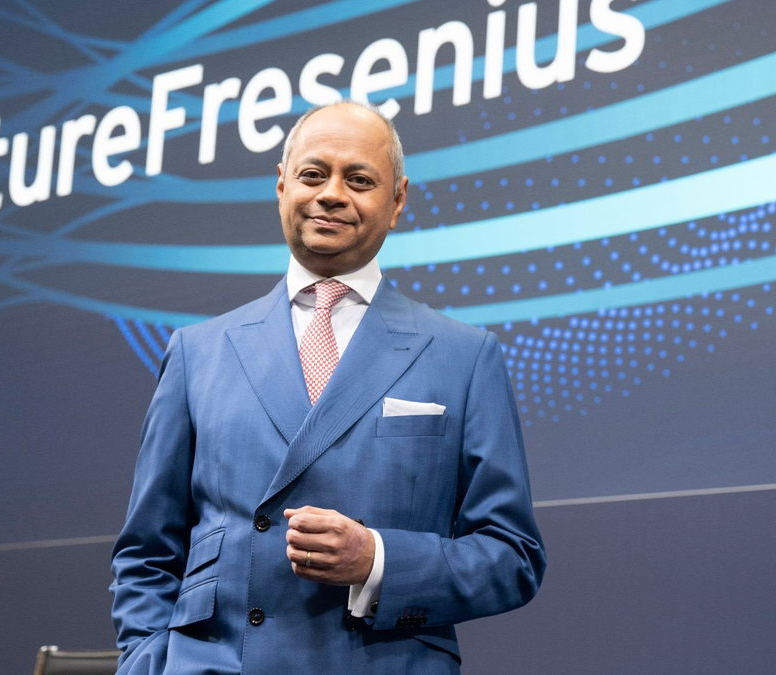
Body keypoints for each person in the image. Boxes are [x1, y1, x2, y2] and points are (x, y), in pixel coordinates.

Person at [110, 100, 546, 675]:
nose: (332, 194)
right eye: (314, 174)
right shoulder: (199, 352)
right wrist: (148, 664)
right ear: (282, 186)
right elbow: (146, 553)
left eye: (359, 179)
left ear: (397, 202)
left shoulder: (464, 356)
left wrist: (377, 561)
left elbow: (512, 557)